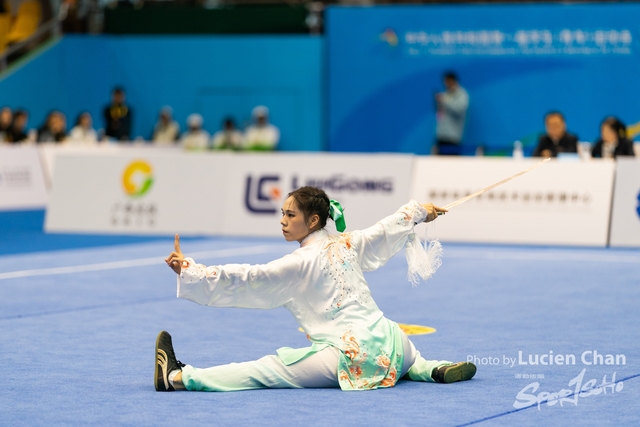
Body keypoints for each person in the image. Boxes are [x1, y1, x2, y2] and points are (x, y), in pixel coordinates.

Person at [156, 186, 476, 393]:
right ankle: (430, 368)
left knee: (265, 370)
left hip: (354, 356)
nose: (282, 220)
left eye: (290, 215)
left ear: (312, 221)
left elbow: (248, 278)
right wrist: (421, 211)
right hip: (397, 345)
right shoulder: (348, 242)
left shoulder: (299, 263)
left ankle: (177, 378)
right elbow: (387, 226)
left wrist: (191, 270)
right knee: (403, 349)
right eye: (282, 213)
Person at [434, 72, 469, 155]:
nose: (446, 84)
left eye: (448, 81)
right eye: (445, 82)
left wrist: (444, 101)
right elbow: (439, 115)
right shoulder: (446, 94)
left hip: (453, 138)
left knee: (452, 165)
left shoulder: (462, 95)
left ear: (453, 81)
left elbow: (459, 110)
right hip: (441, 136)